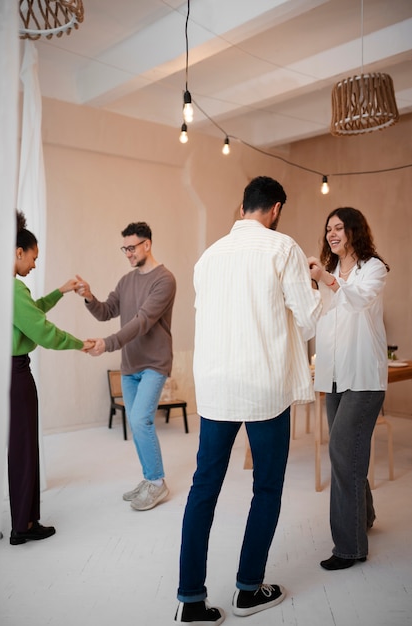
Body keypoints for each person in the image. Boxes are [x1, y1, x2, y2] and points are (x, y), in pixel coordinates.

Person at [174, 176, 322, 625]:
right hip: (263, 388)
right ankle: (247, 590)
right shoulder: (283, 249)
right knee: (267, 488)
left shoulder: (208, 256)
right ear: (275, 209)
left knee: (204, 489)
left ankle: (190, 601)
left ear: (243, 208)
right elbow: (309, 318)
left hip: (216, 387)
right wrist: (317, 282)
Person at [308, 207, 389, 571]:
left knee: (342, 450)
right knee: (348, 453)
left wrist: (328, 279)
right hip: (335, 377)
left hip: (364, 378)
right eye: (328, 229)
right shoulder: (326, 276)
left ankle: (350, 547)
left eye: (339, 227)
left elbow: (357, 300)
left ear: (355, 230)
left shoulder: (373, 268)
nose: (332, 234)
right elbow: (317, 320)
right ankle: (365, 516)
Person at [76, 221, 176, 512]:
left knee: (142, 420)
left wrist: (106, 344)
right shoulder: (126, 281)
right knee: (135, 423)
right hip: (130, 365)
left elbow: (142, 322)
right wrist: (89, 297)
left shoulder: (164, 280)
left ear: (147, 244)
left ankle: (157, 483)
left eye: (132, 247)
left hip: (154, 363)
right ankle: (149, 479)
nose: (128, 253)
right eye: (125, 248)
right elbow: (106, 311)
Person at [10, 211, 93, 546]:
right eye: (33, 257)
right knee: (24, 449)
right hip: (15, 376)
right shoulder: (12, 288)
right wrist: (81, 344)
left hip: (7, 374)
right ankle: (23, 525)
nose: (33, 264)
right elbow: (43, 332)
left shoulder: (11, 289)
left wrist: (61, 290)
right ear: (19, 252)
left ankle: (23, 521)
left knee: (19, 448)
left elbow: (32, 311)